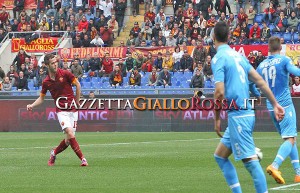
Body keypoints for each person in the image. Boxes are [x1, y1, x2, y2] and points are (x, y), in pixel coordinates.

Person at [212, 22, 284, 193]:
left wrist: (216, 119)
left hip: (238, 116)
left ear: (213, 37)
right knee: (220, 156)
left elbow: (219, 92)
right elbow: (259, 81)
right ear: (229, 37)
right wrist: (275, 103)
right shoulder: (239, 56)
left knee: (250, 163)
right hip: (243, 114)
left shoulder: (218, 58)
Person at [26, 53, 88, 167]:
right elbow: (41, 98)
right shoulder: (46, 82)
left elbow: (78, 85)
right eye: (52, 63)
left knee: (69, 140)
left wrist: (77, 100)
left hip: (73, 110)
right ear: (47, 65)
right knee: (69, 133)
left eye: (56, 62)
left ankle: (53, 153)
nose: (55, 65)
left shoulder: (65, 74)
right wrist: (32, 105)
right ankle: (83, 159)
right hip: (61, 111)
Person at [257, 36, 300, 184]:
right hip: (284, 106)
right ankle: (275, 165)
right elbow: (296, 72)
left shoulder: (261, 65)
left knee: (290, 138)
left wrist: (256, 94)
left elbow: (252, 81)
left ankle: (298, 173)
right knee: (290, 138)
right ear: (280, 48)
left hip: (271, 108)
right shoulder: (284, 60)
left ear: (268, 48)